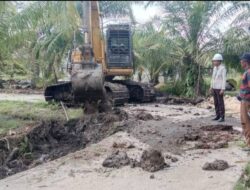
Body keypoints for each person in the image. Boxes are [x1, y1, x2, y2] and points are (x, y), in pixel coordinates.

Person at [238, 52, 250, 150]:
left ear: (245, 62)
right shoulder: (247, 72)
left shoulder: (249, 72)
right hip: (244, 99)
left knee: (245, 121)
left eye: (241, 61)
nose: (240, 63)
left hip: (247, 101)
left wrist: (244, 96)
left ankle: (249, 144)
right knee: (245, 121)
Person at [209, 53, 227, 122]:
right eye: (213, 61)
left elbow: (224, 79)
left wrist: (223, 89)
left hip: (219, 88)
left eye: (215, 61)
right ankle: (217, 115)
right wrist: (211, 87)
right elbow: (212, 78)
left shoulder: (223, 68)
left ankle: (222, 117)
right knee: (216, 102)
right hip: (214, 88)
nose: (214, 62)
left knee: (220, 103)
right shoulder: (214, 68)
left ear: (219, 61)